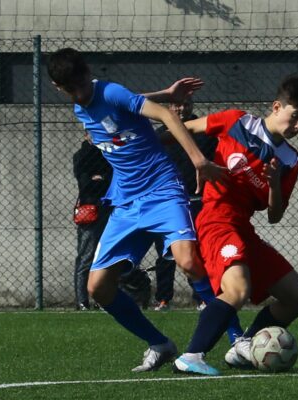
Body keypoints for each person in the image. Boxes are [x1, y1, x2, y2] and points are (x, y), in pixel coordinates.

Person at [48, 47, 227, 372]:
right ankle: (159, 344)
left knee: (188, 260)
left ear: (88, 73)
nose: (80, 93)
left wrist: (199, 160)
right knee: (98, 288)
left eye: (82, 85)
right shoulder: (81, 105)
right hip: (126, 201)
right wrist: (166, 91)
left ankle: (237, 340)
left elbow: (168, 115)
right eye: (71, 90)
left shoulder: (108, 89)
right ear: (59, 88)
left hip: (162, 189)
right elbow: (123, 100)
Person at [172, 75, 298, 375]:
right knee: (237, 290)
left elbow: (274, 215)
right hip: (215, 218)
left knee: (297, 298)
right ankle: (192, 355)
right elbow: (184, 128)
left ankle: (245, 350)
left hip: (242, 227)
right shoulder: (236, 121)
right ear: (277, 106)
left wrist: (274, 185)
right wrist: (151, 147)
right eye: (295, 116)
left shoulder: (290, 160)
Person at [151, 96, 216, 312]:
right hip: (167, 203)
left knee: (196, 252)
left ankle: (202, 297)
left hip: (197, 201)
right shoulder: (161, 135)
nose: (182, 108)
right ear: (169, 107)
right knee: (166, 252)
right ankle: (163, 299)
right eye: (177, 104)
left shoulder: (204, 131)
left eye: (186, 104)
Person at [72, 131, 112, 311]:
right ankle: (82, 300)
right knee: (86, 256)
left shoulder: (110, 153)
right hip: (91, 210)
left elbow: (112, 181)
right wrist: (98, 180)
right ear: (86, 134)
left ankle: (101, 297)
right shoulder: (81, 156)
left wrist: (100, 179)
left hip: (108, 208)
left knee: (105, 256)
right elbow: (85, 184)